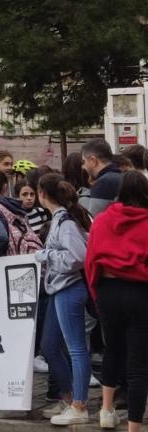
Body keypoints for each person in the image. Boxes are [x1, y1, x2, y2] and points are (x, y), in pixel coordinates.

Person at [86, 171, 148, 432]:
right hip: (140, 292)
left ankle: (106, 409)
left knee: (112, 349)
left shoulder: (102, 220)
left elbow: (91, 260)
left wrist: (96, 292)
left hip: (108, 290)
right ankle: (134, 426)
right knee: (139, 363)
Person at [33, 173, 93, 426]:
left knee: (76, 348)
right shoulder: (63, 219)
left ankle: (79, 404)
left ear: (42, 194)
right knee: (50, 345)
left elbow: (77, 257)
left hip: (69, 288)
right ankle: (70, 399)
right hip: (62, 288)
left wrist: (45, 255)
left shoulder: (65, 222)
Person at [0, 168, 41, 264]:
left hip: (4, 261)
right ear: (4, 187)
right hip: (24, 258)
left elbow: (0, 236)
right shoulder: (12, 205)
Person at [80, 138, 122, 217]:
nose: (83, 166)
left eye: (84, 161)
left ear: (93, 160)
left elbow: (93, 218)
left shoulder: (104, 183)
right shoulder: (122, 176)